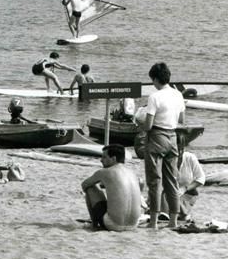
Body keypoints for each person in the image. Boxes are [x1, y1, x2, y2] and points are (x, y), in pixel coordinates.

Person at [136, 62, 185, 230]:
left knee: (154, 181)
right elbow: (182, 120)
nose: (152, 84)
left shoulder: (154, 97)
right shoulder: (178, 95)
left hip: (157, 136)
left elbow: (148, 125)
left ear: (156, 79)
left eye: (153, 80)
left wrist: (139, 123)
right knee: (172, 181)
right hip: (173, 137)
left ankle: (154, 221)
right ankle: (173, 221)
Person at [81, 145, 143, 231]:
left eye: (104, 157)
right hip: (134, 225)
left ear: (113, 159)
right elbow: (141, 182)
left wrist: (101, 188)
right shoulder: (132, 173)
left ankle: (94, 225)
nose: (101, 160)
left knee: (90, 188)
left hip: (113, 225)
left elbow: (84, 185)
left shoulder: (104, 172)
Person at [161, 130, 205, 222]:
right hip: (169, 193)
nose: (179, 152)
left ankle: (182, 215)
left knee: (178, 210)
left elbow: (201, 178)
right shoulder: (166, 159)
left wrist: (185, 188)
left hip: (189, 194)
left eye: (181, 149)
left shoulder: (190, 158)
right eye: (176, 149)